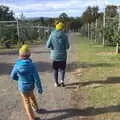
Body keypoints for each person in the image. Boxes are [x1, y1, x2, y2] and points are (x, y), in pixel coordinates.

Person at [10, 44, 43, 120]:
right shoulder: (32, 65)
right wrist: (39, 88)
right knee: (32, 97)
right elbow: (37, 78)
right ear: (29, 55)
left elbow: (12, 76)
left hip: (22, 87)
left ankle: (31, 118)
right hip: (30, 86)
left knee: (26, 101)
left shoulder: (17, 65)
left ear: (20, 55)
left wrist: (18, 79)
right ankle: (36, 108)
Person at [46, 22, 69, 87]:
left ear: (56, 28)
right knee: (62, 69)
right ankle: (62, 81)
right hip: (63, 56)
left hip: (54, 56)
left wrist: (53, 47)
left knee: (55, 69)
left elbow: (47, 45)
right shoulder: (65, 35)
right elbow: (67, 47)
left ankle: (56, 83)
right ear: (62, 28)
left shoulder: (52, 35)